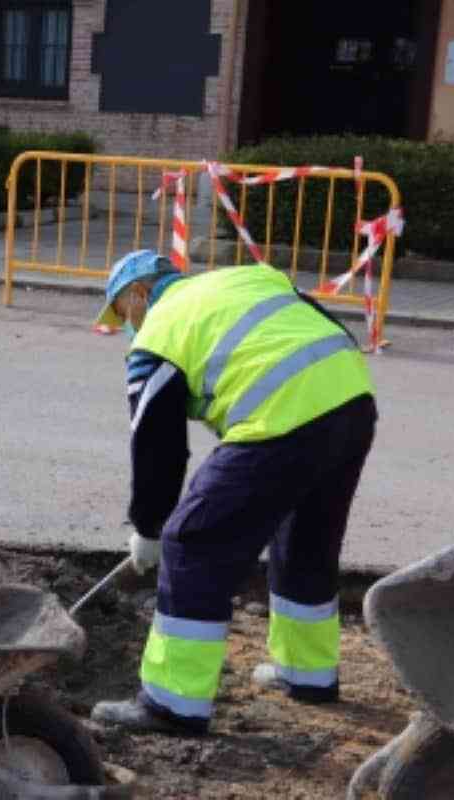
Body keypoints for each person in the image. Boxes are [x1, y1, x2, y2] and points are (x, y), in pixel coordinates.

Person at [88, 249, 377, 736]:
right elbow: (322, 326)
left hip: (284, 417)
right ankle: (307, 675)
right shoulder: (245, 279)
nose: (126, 326)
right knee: (305, 539)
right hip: (351, 402)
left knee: (192, 541)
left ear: (139, 294)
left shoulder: (160, 333)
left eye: (122, 313)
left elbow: (156, 445)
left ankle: (172, 705)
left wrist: (151, 527)